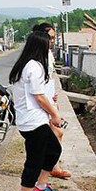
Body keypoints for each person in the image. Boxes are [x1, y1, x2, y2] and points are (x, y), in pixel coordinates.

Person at [9, 31, 64, 191]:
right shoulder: (34, 67)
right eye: (49, 42)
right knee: (34, 160)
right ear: (41, 46)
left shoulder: (25, 65)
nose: (50, 45)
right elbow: (39, 97)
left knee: (54, 150)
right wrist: (55, 114)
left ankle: (40, 185)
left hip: (31, 120)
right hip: (33, 122)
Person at [33, 22, 72, 179]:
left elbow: (48, 80)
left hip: (49, 100)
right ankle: (49, 169)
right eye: (50, 38)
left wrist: (54, 99)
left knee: (56, 134)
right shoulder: (36, 59)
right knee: (55, 133)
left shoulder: (48, 55)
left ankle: (50, 166)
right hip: (42, 104)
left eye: (54, 38)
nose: (52, 41)